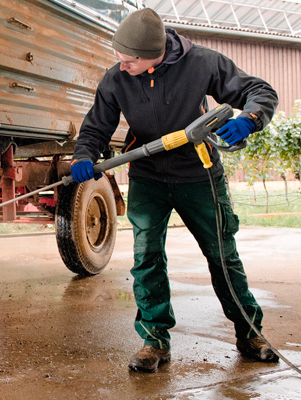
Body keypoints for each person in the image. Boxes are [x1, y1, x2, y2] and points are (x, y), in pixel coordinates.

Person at [70, 8, 280, 373]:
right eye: (118, 58)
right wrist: (84, 155)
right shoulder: (116, 78)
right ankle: (155, 340)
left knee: (222, 255)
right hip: (148, 175)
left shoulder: (203, 63)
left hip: (199, 174)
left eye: (130, 60)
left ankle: (249, 333)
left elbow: (258, 90)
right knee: (146, 258)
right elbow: (95, 127)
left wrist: (249, 119)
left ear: (156, 53)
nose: (122, 66)